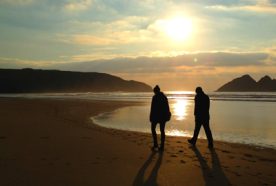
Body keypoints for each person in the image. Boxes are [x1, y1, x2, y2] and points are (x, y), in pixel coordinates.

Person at [150, 85, 171, 151]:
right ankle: (162, 146)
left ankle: (156, 144)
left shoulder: (155, 97)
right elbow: (167, 107)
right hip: (163, 117)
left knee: (153, 129)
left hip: (156, 116)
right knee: (162, 131)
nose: (154, 92)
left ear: (156, 91)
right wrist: (168, 114)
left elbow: (152, 108)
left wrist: (151, 117)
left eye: (154, 91)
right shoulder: (164, 97)